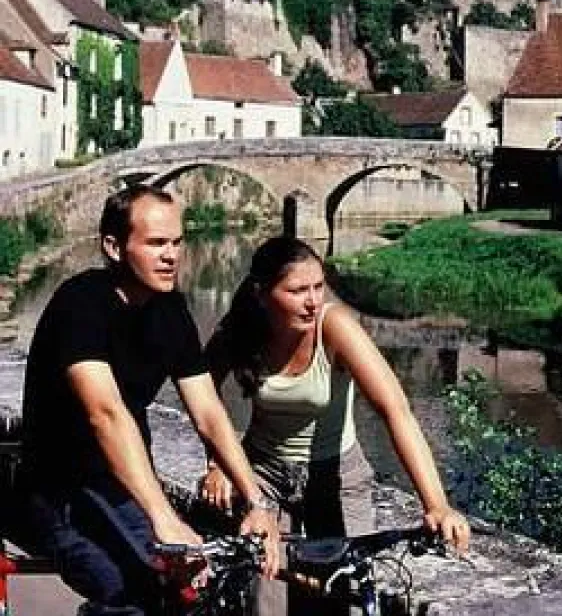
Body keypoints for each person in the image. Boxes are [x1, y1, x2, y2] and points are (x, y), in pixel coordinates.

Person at [18, 185, 279, 616]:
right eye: (157, 243)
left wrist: (256, 502)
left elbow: (210, 413)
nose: (172, 255)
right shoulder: (80, 305)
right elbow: (106, 415)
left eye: (177, 242)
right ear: (113, 247)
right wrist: (164, 518)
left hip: (124, 488)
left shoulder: (170, 309)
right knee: (130, 588)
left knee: (195, 585)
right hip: (57, 494)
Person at [201, 235, 470, 615]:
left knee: (349, 594)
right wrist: (216, 464)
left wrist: (437, 505)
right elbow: (202, 396)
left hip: (338, 475)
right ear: (262, 294)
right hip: (264, 477)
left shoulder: (335, 326)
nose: (312, 301)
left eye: (318, 287)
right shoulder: (239, 331)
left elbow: (396, 410)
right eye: (296, 290)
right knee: (265, 599)